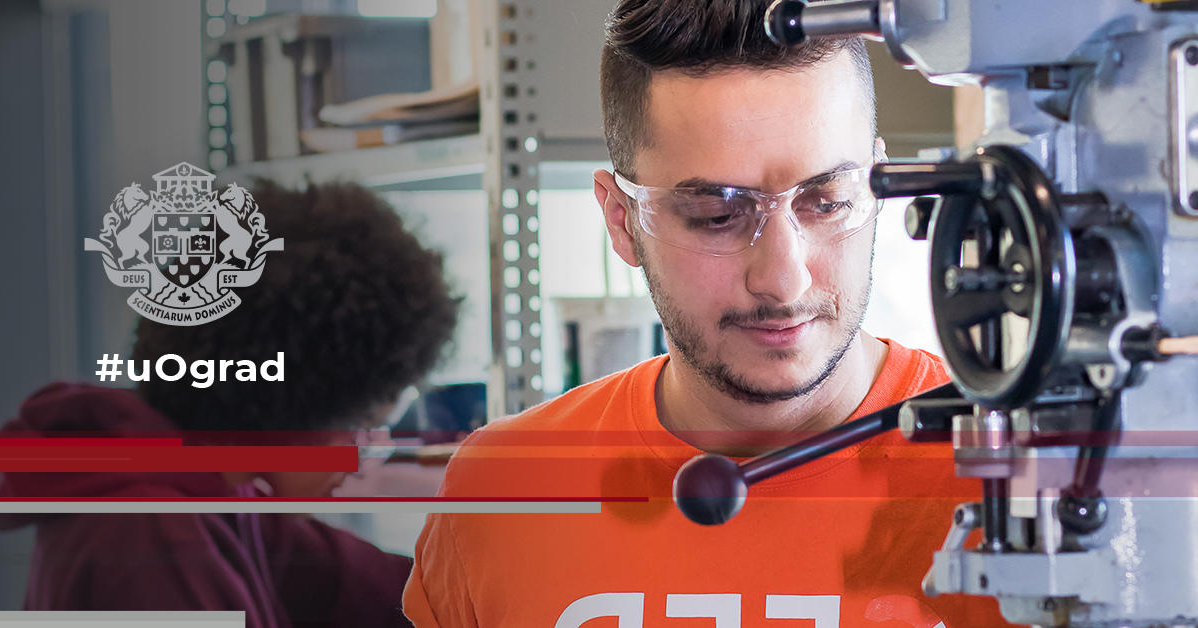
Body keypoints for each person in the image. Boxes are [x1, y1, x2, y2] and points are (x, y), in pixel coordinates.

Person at [403, 0, 1012, 626]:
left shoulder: (1021, 479)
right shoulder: (505, 493)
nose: (783, 278)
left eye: (826, 201)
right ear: (622, 221)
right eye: (718, 215)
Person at [0, 179, 460, 627]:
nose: (361, 458)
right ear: (290, 403)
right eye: (361, 424)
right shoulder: (155, 537)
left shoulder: (205, 488)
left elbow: (387, 592)